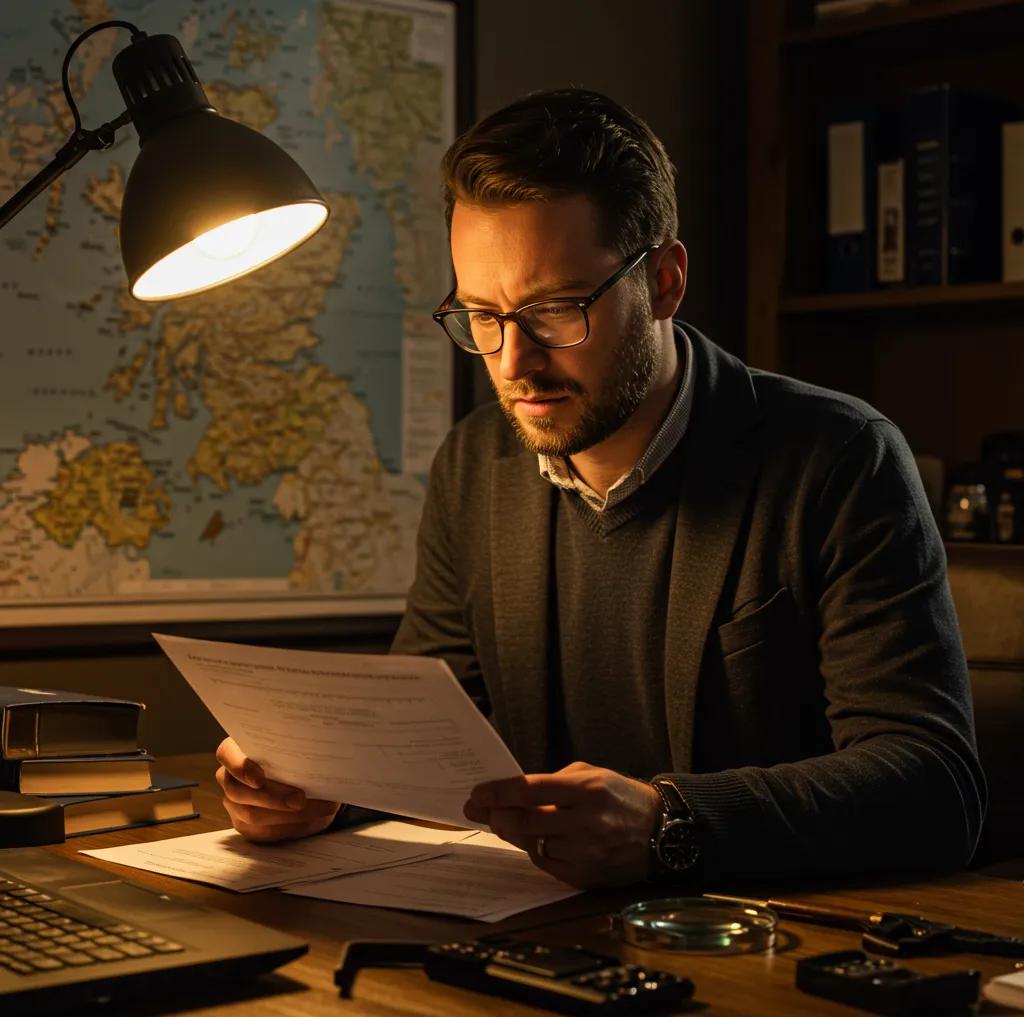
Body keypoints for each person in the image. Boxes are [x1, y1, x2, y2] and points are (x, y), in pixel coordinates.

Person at [215, 89, 985, 889]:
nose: (513, 361)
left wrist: (671, 825)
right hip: (539, 929)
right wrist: (323, 791)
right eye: (482, 315)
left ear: (664, 282)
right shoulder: (474, 466)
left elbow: (934, 786)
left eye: (554, 309)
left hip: (761, 936)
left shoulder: (840, 458)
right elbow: (427, 738)